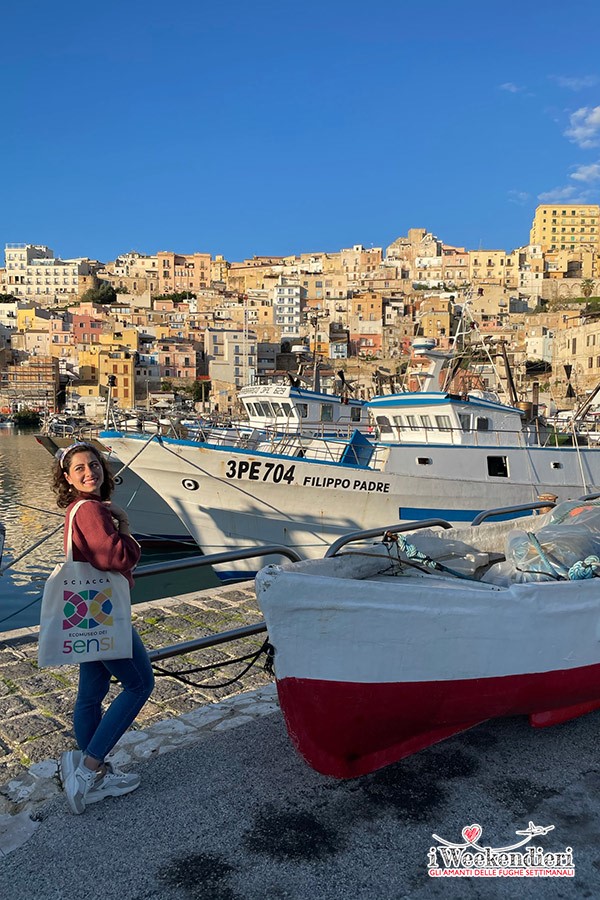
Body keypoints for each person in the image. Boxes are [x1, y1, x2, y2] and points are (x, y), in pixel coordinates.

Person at [52, 441, 154, 814]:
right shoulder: (93, 509)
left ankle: (88, 768)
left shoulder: (74, 508)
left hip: (86, 614)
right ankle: (89, 769)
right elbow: (116, 556)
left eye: (93, 465)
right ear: (67, 476)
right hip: (105, 613)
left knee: (91, 693)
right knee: (140, 683)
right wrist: (125, 526)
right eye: (79, 468)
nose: (89, 472)